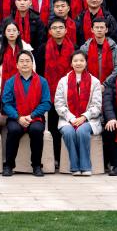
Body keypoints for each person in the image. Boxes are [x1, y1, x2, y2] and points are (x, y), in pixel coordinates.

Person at [54, 51, 102, 175]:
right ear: (71, 63)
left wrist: (84, 117)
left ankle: (85, 167)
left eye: (81, 60)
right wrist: (71, 118)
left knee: (82, 131)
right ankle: (75, 167)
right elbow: (59, 104)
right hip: (67, 119)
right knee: (69, 132)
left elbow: (97, 106)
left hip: (89, 120)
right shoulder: (63, 81)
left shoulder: (95, 82)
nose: (78, 63)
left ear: (86, 63)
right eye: (75, 61)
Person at [2, 50, 49, 176]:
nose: (24, 64)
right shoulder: (10, 82)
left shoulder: (42, 81)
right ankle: (9, 165)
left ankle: (37, 165)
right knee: (14, 130)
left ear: (32, 64)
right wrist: (18, 117)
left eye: (27, 61)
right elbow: (6, 104)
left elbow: (46, 103)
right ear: (17, 65)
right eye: (21, 61)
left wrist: (31, 116)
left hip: (35, 117)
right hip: (16, 117)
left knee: (36, 130)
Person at [37, 18, 74, 160]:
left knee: (67, 124)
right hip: (49, 93)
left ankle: (66, 158)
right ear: (50, 31)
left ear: (66, 30)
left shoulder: (73, 47)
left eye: (60, 27)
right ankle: (55, 158)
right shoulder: (43, 48)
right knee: (52, 126)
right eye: (54, 28)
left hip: (69, 93)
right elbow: (39, 72)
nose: (58, 30)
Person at [0, 21, 34, 90]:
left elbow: (32, 67)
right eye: (9, 31)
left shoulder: (26, 48)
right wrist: (1, 84)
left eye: (14, 30)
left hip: (24, 87)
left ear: (18, 33)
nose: (11, 33)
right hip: (3, 87)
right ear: (4, 33)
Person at [80, 18, 117, 83]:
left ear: (106, 30)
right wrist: (93, 83)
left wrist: (105, 84)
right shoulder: (84, 48)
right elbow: (82, 67)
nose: (99, 30)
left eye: (102, 27)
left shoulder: (115, 48)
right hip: (90, 84)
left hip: (110, 85)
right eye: (97, 27)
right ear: (92, 30)